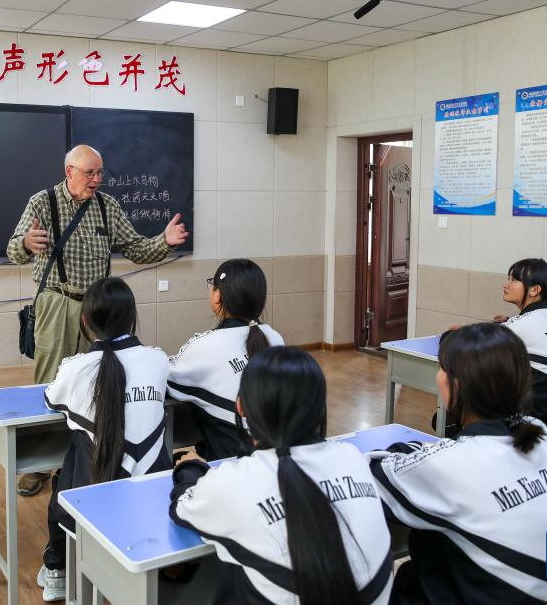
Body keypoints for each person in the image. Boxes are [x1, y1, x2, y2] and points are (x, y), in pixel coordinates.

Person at [7, 144, 187, 496]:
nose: (96, 179)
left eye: (100, 173)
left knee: (101, 381)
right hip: (57, 302)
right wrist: (26, 243)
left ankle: (89, 455)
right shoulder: (42, 202)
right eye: (89, 173)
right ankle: (41, 465)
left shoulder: (108, 206)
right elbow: (13, 251)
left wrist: (164, 242)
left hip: (99, 309)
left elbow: (136, 248)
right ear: (69, 172)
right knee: (50, 382)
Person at [369, 323, 547, 604]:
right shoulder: (541, 433)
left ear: (456, 386)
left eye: (442, 368)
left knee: (410, 573)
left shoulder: (451, 464)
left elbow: (373, 475)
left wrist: (415, 453)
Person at [169, 346, 393, 604]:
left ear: (240, 406)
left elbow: (182, 505)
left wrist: (191, 468)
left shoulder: (233, 483)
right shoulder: (352, 458)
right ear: (320, 408)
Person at [39, 277, 172, 602]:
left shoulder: (76, 368)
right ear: (132, 317)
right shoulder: (157, 360)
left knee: (75, 453)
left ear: (85, 321)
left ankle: (57, 569)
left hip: (96, 513)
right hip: (155, 502)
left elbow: (50, 399)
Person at [167, 258, 285, 461]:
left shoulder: (205, 345)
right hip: (276, 458)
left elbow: (166, 378)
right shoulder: (274, 337)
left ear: (217, 295)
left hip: (229, 463)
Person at [495, 258, 547, 429]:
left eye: (513, 280)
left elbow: (475, 343)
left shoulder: (523, 323)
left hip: (535, 415)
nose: (506, 285)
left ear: (534, 290)